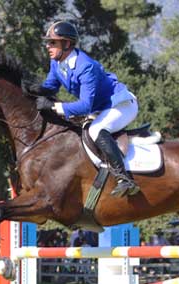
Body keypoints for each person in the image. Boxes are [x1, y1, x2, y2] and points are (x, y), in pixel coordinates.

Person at [23, 21, 140, 197]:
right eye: (48, 42)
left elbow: (85, 105)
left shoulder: (85, 66)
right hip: (101, 107)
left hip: (121, 105)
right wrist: (32, 89)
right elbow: (50, 87)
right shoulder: (57, 62)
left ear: (67, 44)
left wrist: (53, 106)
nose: (48, 46)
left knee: (96, 130)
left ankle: (125, 179)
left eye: (52, 42)